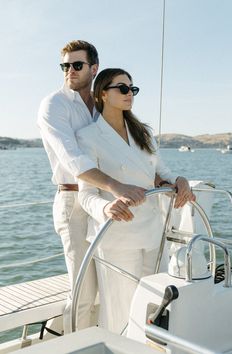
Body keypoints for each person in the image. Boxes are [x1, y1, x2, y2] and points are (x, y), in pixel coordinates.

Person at [37, 40, 147, 333]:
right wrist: (115, 185)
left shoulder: (101, 107)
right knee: (83, 292)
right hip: (74, 203)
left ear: (93, 68)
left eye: (76, 65)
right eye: (65, 66)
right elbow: (72, 158)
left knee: (110, 284)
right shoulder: (54, 105)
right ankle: (75, 347)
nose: (69, 71)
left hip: (106, 203)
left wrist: (160, 179)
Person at [76, 68, 195, 334]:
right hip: (118, 235)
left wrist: (181, 180)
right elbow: (86, 194)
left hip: (153, 234)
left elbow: (162, 172)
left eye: (132, 89)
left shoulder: (143, 132)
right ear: (103, 94)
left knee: (156, 306)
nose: (130, 94)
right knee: (121, 310)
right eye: (123, 88)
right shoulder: (88, 136)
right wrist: (105, 207)